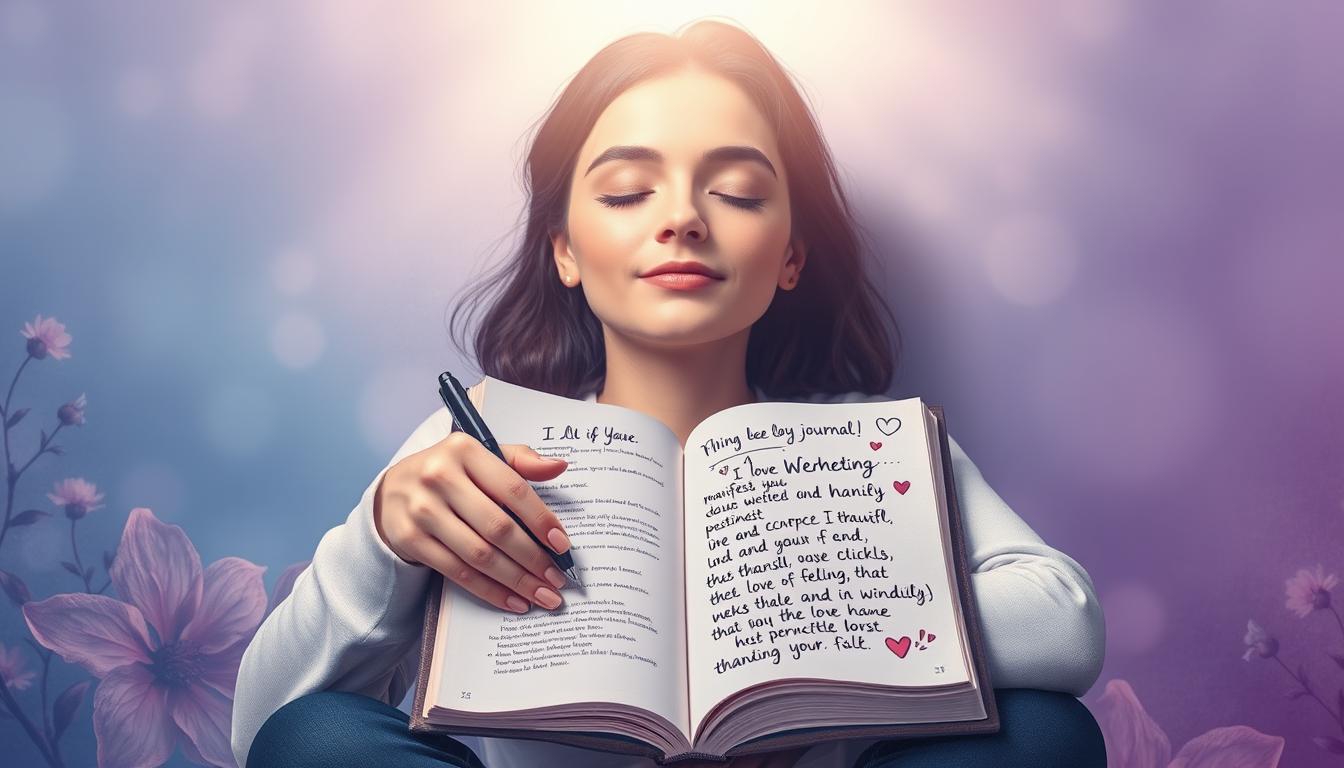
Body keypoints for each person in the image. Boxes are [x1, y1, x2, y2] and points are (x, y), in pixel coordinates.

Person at [231, 18, 1106, 768]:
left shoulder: (873, 442)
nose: (682, 216)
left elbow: (1063, 625)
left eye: (736, 190)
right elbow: (264, 730)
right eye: (625, 190)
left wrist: (796, 616)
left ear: (792, 253)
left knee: (1040, 732)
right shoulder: (477, 450)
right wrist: (386, 535)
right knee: (321, 738)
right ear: (563, 249)